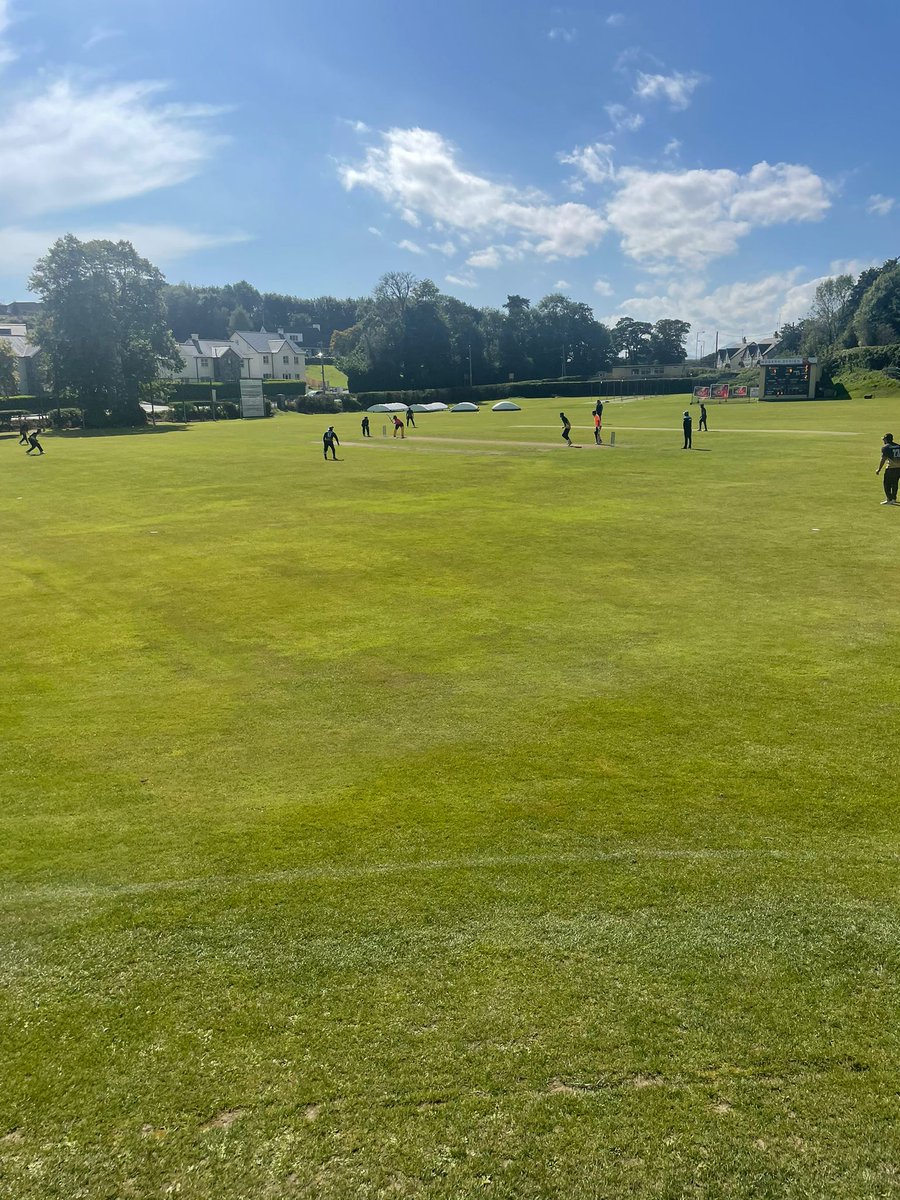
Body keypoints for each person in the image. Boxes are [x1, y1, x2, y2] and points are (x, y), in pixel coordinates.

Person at [876, 432, 900, 504]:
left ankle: (889, 499)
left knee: (887, 483)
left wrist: (879, 469)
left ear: (886, 440)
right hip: (899, 468)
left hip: (891, 468)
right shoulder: (898, 446)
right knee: (895, 483)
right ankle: (893, 498)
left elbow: (883, 459)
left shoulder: (886, 448)